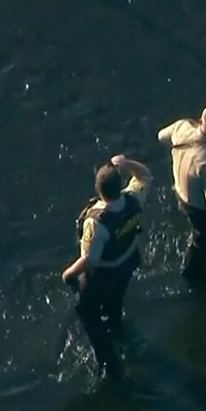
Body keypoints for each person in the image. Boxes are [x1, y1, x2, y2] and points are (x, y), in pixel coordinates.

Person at [61, 154, 152, 379]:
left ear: (98, 189)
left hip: (105, 274)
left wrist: (68, 274)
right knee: (114, 304)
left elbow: (90, 260)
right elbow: (146, 175)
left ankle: (110, 365)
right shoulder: (134, 199)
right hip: (128, 263)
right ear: (120, 185)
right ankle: (116, 325)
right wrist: (128, 163)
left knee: (86, 312)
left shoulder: (95, 222)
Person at [157, 102, 206, 279]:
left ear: (201, 119)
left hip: (181, 191)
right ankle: (193, 273)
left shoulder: (182, 127)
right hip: (199, 208)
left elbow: (161, 137)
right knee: (203, 238)